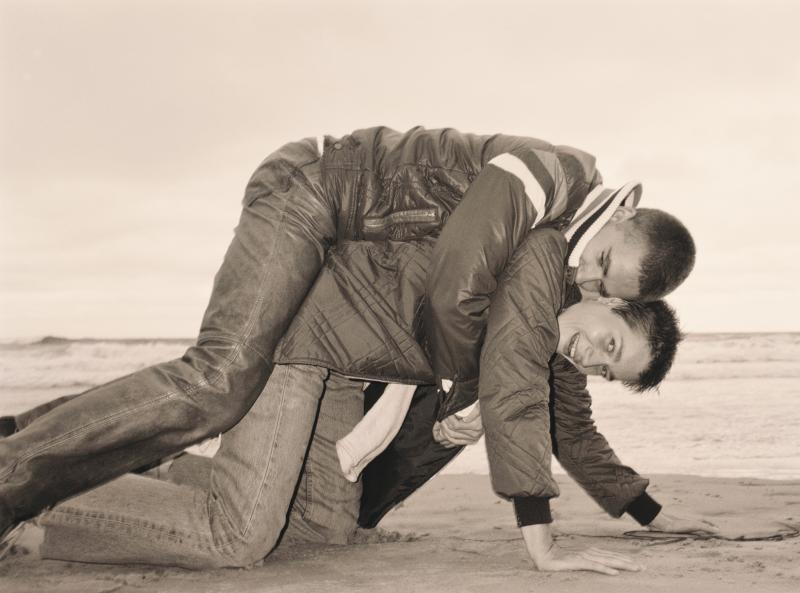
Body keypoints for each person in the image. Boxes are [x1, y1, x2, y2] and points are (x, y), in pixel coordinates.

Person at [0, 126, 695, 541]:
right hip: (316, 192)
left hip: (345, 266)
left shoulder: (562, 266)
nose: (590, 277)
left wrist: (648, 512)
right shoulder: (553, 176)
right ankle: (13, 476)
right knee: (220, 381)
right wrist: (464, 391)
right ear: (624, 206)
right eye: (603, 265)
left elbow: (564, 419)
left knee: (230, 409)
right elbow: (455, 282)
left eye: (605, 286)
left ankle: (28, 437)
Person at [2, 228, 682, 574]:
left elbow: (570, 431)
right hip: (315, 333)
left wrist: (650, 511)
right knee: (237, 533)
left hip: (347, 383)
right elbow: (523, 422)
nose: (594, 362)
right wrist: (543, 549)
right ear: (612, 300)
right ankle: (28, 478)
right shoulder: (538, 276)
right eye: (612, 347)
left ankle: (44, 524)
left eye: (607, 373)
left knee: (315, 533)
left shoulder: (560, 348)